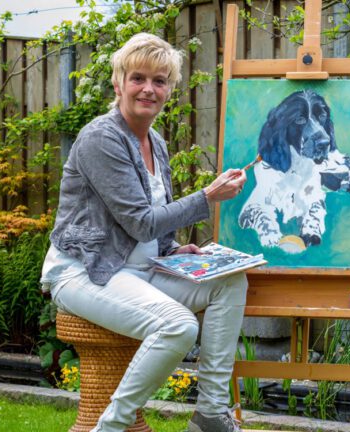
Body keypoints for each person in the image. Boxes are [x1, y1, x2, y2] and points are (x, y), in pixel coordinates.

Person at [40, 33, 248, 432]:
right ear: (118, 84)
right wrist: (208, 196)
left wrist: (173, 250)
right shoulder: (102, 138)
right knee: (178, 326)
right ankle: (110, 427)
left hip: (139, 269)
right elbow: (139, 221)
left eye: (160, 80)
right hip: (86, 272)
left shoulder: (155, 142)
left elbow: (149, 225)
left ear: (170, 89)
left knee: (229, 282)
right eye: (138, 78)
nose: (148, 89)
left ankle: (210, 415)